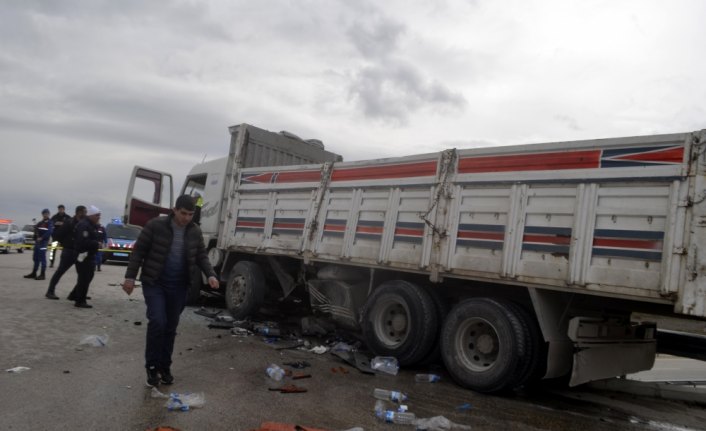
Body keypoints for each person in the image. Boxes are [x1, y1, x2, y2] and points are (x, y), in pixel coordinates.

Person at [122, 195, 219, 387]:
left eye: (190, 214)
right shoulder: (155, 226)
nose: (186, 218)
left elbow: (201, 255)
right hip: (155, 282)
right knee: (158, 321)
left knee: (170, 327)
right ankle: (151, 367)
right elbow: (138, 251)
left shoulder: (194, 231)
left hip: (179, 286)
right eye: (183, 213)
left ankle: (164, 367)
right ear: (174, 210)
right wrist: (130, 277)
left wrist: (211, 274)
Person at [45, 205, 86, 300]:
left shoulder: (82, 223)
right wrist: (65, 244)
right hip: (69, 251)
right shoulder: (69, 222)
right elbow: (57, 234)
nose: (85, 214)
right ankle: (50, 291)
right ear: (79, 212)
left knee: (83, 274)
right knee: (60, 271)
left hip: (79, 252)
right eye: (84, 212)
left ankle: (76, 293)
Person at [72, 205, 103, 309]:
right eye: (97, 215)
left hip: (88, 255)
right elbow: (83, 242)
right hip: (83, 255)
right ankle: (80, 300)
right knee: (84, 278)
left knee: (88, 276)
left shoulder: (90, 225)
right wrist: (96, 244)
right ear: (91, 215)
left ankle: (76, 295)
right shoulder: (84, 225)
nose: (99, 217)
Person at [23, 209, 53, 280]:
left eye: (46, 213)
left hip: (43, 243)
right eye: (44, 213)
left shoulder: (50, 222)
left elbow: (49, 231)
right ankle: (34, 273)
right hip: (37, 243)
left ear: (49, 214)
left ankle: (43, 275)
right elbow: (36, 230)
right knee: (35, 258)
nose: (45, 215)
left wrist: (42, 238)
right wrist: (35, 233)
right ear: (42, 214)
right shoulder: (40, 223)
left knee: (42, 258)